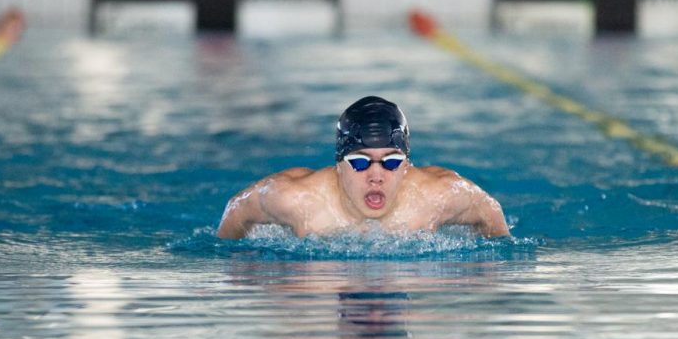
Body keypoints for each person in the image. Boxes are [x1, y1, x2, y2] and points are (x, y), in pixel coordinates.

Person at [217, 96, 510, 239]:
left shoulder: (438, 196)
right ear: (339, 166)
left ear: (406, 166)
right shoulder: (298, 199)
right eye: (359, 162)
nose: (376, 176)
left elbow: (491, 213)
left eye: (391, 162)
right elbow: (237, 209)